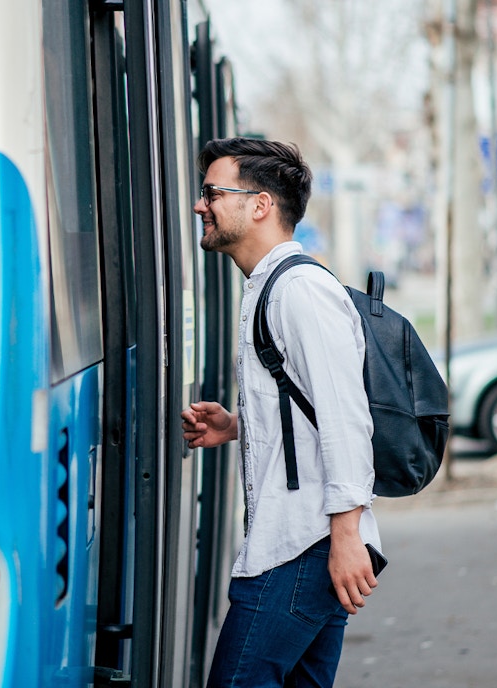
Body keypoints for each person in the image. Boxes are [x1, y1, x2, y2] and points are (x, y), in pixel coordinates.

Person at [181, 138, 381, 688]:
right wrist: (238, 425)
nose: (200, 205)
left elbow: (346, 417)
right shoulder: (272, 286)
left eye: (212, 193)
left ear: (261, 205)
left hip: (303, 547)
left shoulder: (299, 291)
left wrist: (347, 535)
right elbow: (310, 407)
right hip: (307, 545)